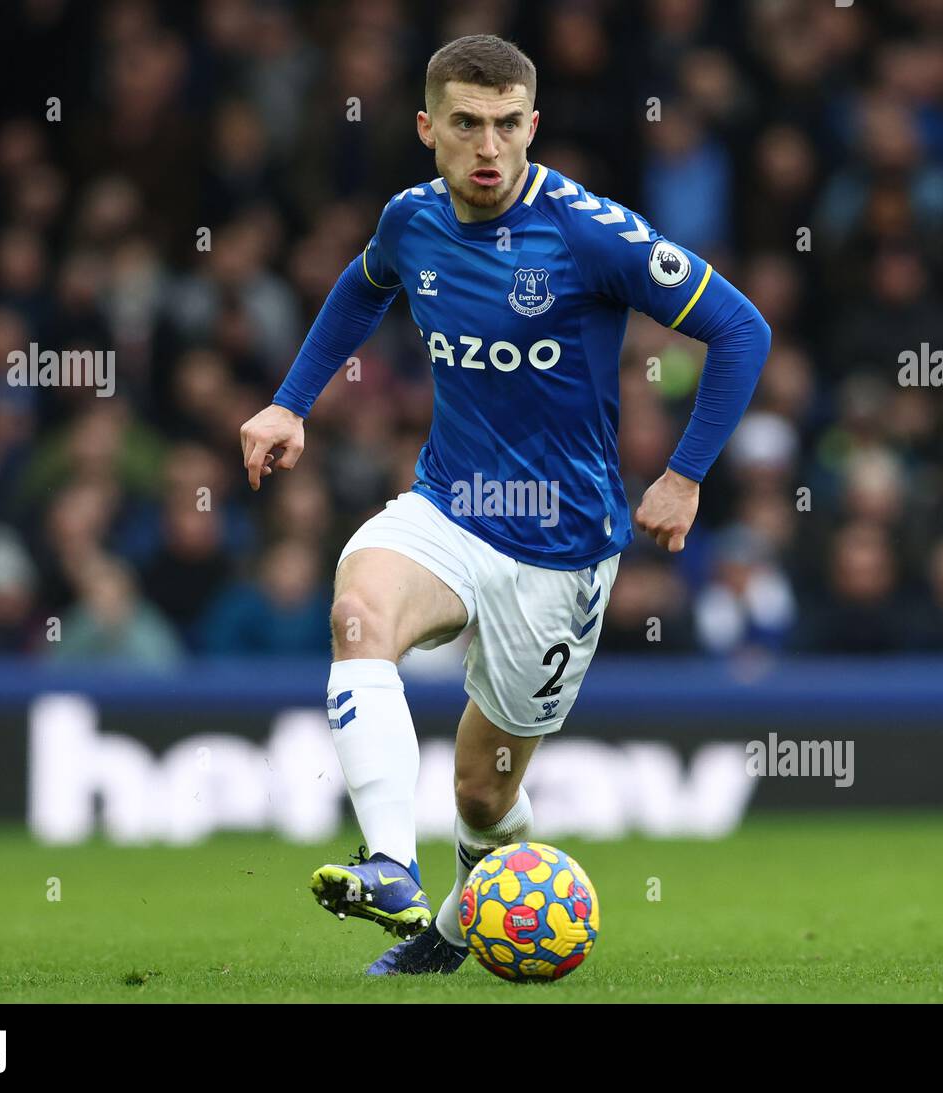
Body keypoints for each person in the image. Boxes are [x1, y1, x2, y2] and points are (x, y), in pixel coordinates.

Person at [238, 34, 770, 975]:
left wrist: (685, 472)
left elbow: (741, 328)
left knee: (483, 796)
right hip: (448, 504)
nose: (489, 147)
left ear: (533, 123)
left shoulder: (587, 232)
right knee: (358, 613)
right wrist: (290, 401)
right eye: (467, 125)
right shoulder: (410, 220)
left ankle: (451, 931)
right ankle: (392, 865)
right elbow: (365, 289)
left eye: (507, 125)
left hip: (560, 550)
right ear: (427, 128)